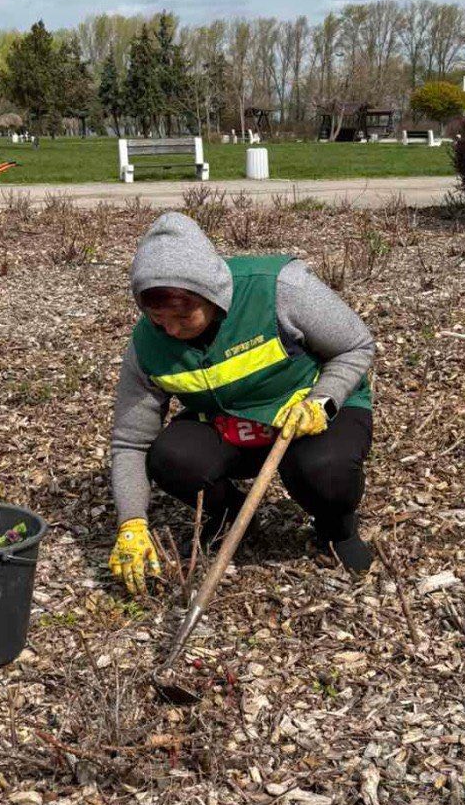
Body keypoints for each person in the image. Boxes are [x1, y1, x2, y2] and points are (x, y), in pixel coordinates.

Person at [108, 211, 375, 594]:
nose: (172, 330)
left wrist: (322, 401)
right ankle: (234, 518)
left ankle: (336, 528)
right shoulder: (147, 346)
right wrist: (131, 521)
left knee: (323, 470)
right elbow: (131, 441)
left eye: (184, 315)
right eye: (157, 319)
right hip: (229, 423)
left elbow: (356, 345)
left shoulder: (278, 289)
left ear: (211, 293)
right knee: (171, 458)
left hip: (310, 414)